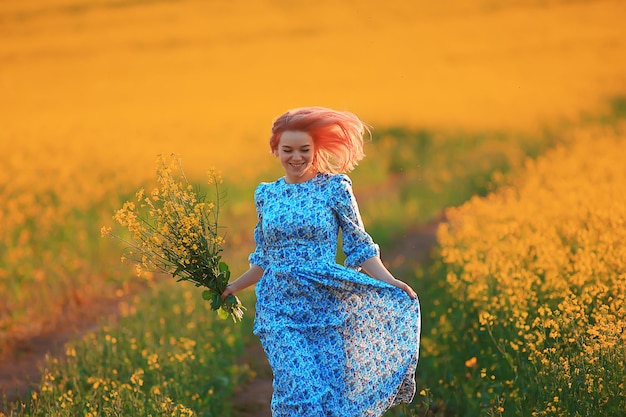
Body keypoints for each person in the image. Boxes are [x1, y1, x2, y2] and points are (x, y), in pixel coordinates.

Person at [221, 106, 421, 416]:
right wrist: (233, 286)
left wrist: (390, 281)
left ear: (316, 149)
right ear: (275, 149)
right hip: (278, 306)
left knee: (329, 398)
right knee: (297, 390)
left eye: (304, 149)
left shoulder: (334, 188)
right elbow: (263, 258)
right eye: (288, 150)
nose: (296, 157)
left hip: (325, 305)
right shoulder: (266, 195)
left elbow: (359, 246)